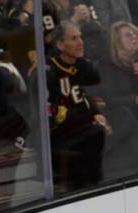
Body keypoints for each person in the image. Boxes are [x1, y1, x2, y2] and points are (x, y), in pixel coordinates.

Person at [47, 21, 108, 189]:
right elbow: (53, 112)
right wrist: (90, 119)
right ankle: (91, 185)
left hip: (83, 124)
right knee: (96, 132)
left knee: (122, 116)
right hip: (59, 132)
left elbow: (90, 95)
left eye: (80, 37)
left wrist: (97, 113)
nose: (80, 42)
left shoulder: (84, 65)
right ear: (60, 44)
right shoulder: (49, 72)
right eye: (74, 38)